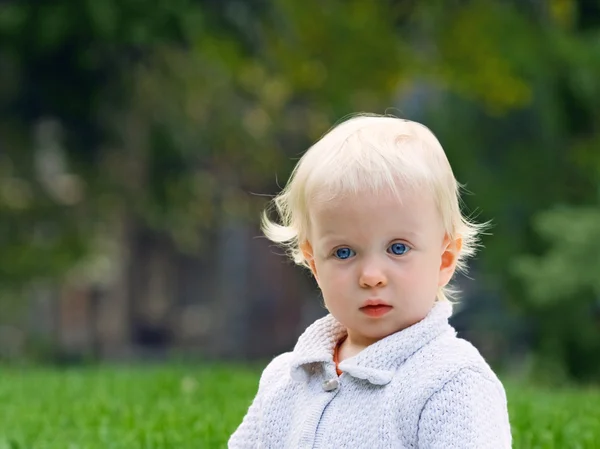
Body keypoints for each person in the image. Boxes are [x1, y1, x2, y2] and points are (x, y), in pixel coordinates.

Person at [228, 114, 512, 448]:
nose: (371, 277)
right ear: (315, 264)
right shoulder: (285, 379)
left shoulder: (451, 381)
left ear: (444, 259)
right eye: (344, 252)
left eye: (398, 248)